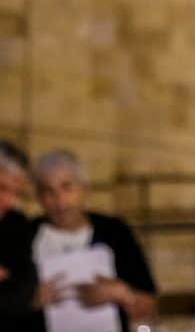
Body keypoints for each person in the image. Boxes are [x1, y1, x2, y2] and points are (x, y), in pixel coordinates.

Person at [30, 149, 157, 332]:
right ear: (39, 197)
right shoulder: (25, 236)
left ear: (84, 189)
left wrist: (121, 293)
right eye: (48, 191)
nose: (60, 200)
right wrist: (29, 300)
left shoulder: (115, 232)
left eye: (67, 187)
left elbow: (149, 306)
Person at [0, 139, 39, 330]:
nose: (8, 201)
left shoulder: (16, 224)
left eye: (16, 193)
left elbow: (25, 293)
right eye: (1, 188)